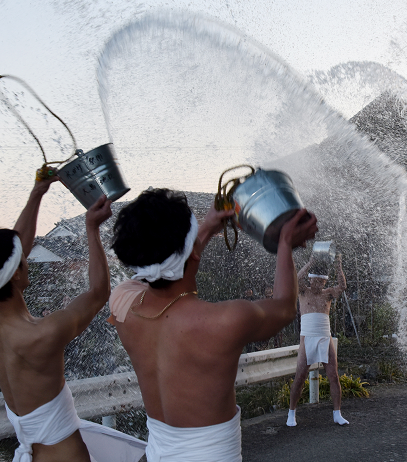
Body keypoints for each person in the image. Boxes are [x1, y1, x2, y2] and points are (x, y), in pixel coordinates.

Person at [108, 188, 317, 461]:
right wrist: (284, 242)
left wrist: (205, 226)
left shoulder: (123, 302)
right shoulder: (226, 320)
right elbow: (285, 307)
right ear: (192, 251)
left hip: (156, 453)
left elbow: (166, 265)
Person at [0, 173, 146, 462]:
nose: (27, 257)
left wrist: (38, 191)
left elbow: (12, 253)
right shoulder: (43, 332)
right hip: (63, 455)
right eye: (23, 260)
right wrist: (92, 228)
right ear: (15, 272)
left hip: (31, 449)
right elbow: (98, 292)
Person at [287, 252, 348, 427]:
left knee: (333, 376)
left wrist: (338, 264)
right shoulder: (303, 291)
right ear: (311, 279)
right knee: (300, 376)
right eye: (316, 281)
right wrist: (310, 262)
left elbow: (342, 286)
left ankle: (337, 413)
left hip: (324, 335)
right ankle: (291, 413)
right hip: (307, 336)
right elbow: (295, 279)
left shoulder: (327, 293)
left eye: (322, 282)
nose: (319, 284)